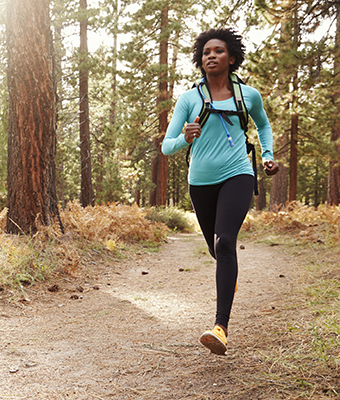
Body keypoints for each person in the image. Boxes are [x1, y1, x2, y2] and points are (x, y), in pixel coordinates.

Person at [161, 27, 279, 355]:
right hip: (200, 183)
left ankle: (220, 328)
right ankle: (230, 276)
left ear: (232, 57)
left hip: (238, 173)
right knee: (217, 251)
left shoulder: (248, 96)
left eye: (218, 51)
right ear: (200, 60)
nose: (211, 55)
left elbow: (263, 125)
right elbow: (166, 147)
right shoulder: (189, 98)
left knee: (225, 242)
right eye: (205, 52)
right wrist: (185, 137)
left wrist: (267, 156)